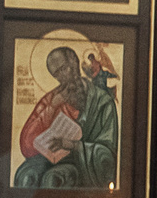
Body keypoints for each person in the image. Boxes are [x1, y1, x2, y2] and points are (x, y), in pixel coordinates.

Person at [13, 46, 119, 190]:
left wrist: (72, 145)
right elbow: (26, 143)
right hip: (50, 159)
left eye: (64, 69)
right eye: (56, 74)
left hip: (81, 163)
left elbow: (107, 156)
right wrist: (51, 108)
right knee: (27, 176)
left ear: (74, 64)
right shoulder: (52, 99)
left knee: (53, 179)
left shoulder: (102, 102)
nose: (61, 77)